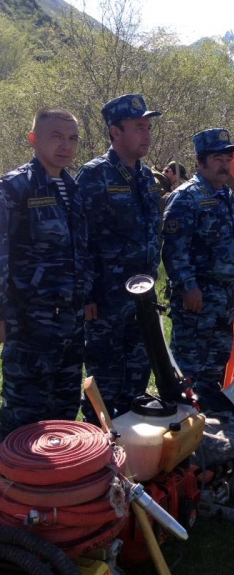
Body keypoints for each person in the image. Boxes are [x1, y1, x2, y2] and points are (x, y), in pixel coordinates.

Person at [0, 108, 90, 440]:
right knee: (25, 413)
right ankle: (14, 485)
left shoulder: (73, 187)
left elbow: (81, 248)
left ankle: (61, 484)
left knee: (65, 409)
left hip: (70, 319)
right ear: (33, 140)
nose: (66, 146)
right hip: (30, 321)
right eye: (56, 136)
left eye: (72, 138)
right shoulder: (14, 188)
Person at [77, 93, 162, 419]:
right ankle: (99, 448)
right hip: (106, 299)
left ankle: (134, 449)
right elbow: (81, 241)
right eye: (139, 127)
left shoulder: (145, 176)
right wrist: (87, 296)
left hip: (142, 296)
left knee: (138, 372)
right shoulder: (94, 175)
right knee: (104, 379)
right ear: (115, 132)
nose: (147, 134)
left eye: (149, 127)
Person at [161, 128, 234, 409]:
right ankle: (181, 409)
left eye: (227, 158)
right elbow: (174, 247)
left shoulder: (226, 195)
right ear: (200, 163)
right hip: (198, 294)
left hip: (223, 294)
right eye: (217, 159)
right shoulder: (186, 197)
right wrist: (188, 286)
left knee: (217, 353)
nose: (225, 164)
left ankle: (209, 401)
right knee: (189, 356)